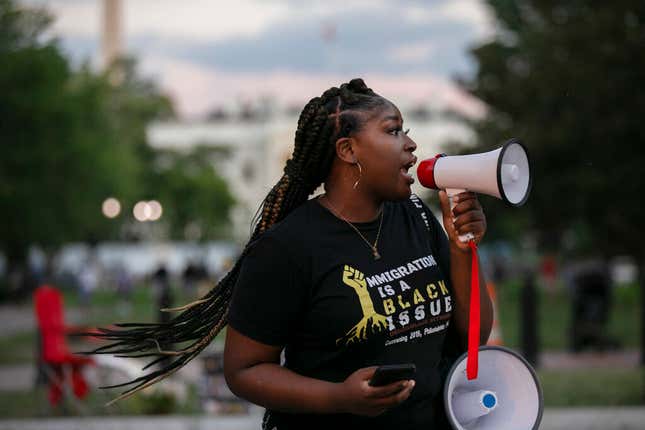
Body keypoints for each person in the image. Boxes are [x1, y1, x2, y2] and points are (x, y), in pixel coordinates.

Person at [88, 79, 493, 428]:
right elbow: (244, 371)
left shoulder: (416, 217)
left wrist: (461, 250)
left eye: (406, 130)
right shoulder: (289, 247)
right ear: (348, 150)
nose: (411, 144)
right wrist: (339, 398)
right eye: (393, 131)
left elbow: (473, 336)